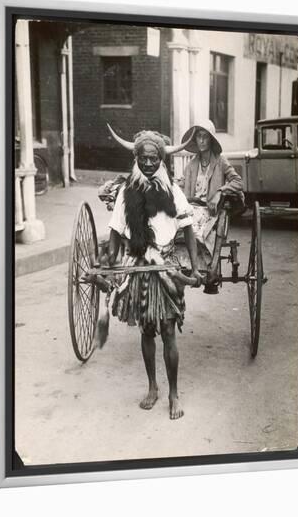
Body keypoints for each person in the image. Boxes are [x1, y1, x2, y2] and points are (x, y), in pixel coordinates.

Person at [104, 125, 203, 420]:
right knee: (147, 330)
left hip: (167, 269)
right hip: (139, 268)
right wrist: (110, 263)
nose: (148, 163)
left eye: (154, 158)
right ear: (136, 159)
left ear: (162, 159)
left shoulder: (172, 191)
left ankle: (173, 393)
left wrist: (196, 268)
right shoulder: (126, 193)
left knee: (169, 331)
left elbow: (188, 230)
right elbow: (115, 230)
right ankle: (152, 387)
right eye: (143, 158)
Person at [179, 119, 243, 269]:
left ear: (211, 140)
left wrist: (220, 192)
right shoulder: (191, 165)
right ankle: (186, 266)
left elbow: (238, 182)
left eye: (205, 136)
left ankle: (207, 268)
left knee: (197, 234)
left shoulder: (221, 162)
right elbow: (181, 185)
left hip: (211, 211)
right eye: (198, 137)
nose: (201, 140)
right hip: (191, 209)